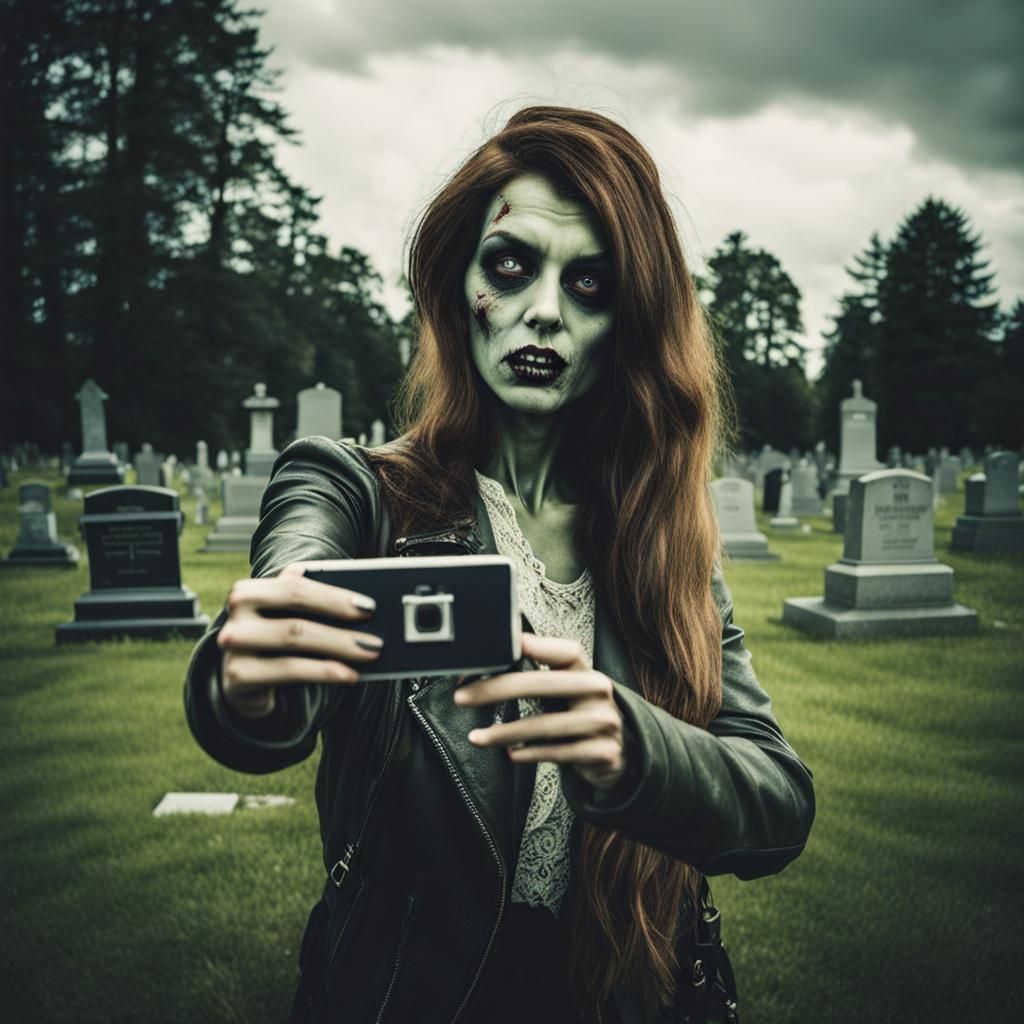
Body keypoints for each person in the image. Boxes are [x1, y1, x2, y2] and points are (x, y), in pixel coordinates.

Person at [184, 105, 815, 1024]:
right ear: (457, 283)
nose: (546, 311)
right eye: (511, 264)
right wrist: (249, 675)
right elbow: (290, 599)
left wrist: (636, 750)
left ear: (627, 324)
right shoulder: (356, 493)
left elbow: (778, 803)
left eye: (591, 283)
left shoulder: (665, 547)